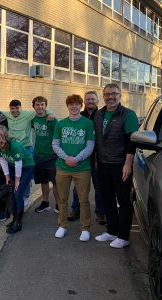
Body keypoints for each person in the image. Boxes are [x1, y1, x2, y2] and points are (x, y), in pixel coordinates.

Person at [94, 83, 139, 249]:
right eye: (107, 94)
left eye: (114, 94)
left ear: (120, 95)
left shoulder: (128, 115)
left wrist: (128, 164)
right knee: (107, 199)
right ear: (103, 96)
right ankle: (111, 231)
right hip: (104, 165)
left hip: (121, 164)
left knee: (123, 200)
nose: (110, 97)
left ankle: (123, 236)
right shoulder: (99, 115)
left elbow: (131, 143)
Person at [52, 94, 95, 242]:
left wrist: (76, 159)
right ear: (68, 106)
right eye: (71, 104)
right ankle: (62, 225)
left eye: (77, 104)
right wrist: (66, 158)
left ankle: (85, 228)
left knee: (83, 200)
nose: (74, 106)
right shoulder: (61, 124)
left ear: (81, 106)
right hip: (63, 167)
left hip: (82, 167)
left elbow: (90, 145)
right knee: (62, 199)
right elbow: (55, 144)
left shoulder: (88, 124)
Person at [2, 99, 52, 205]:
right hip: (13, 148)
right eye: (12, 108)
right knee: (15, 173)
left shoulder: (28, 114)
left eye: (17, 108)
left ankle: (25, 196)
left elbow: (41, 110)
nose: (15, 110)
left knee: (26, 175)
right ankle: (15, 194)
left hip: (26, 148)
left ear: (21, 107)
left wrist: (50, 113)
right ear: (9, 109)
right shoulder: (8, 114)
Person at [68, 91, 106, 225]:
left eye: (93, 99)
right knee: (78, 186)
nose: (90, 101)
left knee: (99, 186)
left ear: (97, 101)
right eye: (88, 99)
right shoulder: (79, 115)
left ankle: (101, 212)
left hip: (98, 157)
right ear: (84, 102)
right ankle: (76, 209)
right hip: (81, 156)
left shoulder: (103, 115)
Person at [0, 125, 34, 234]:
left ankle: (18, 222)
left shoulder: (14, 145)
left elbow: (19, 164)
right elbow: (2, 160)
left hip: (25, 167)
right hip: (13, 167)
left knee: (18, 193)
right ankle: (14, 219)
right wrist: (7, 177)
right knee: (13, 192)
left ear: (3, 136)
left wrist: (17, 181)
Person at [31, 96, 60, 214]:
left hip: (52, 155)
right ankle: (45, 202)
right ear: (33, 106)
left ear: (45, 106)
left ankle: (59, 204)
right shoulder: (32, 119)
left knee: (55, 181)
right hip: (38, 155)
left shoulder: (52, 119)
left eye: (42, 104)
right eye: (37, 104)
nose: (40, 107)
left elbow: (59, 136)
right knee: (43, 181)